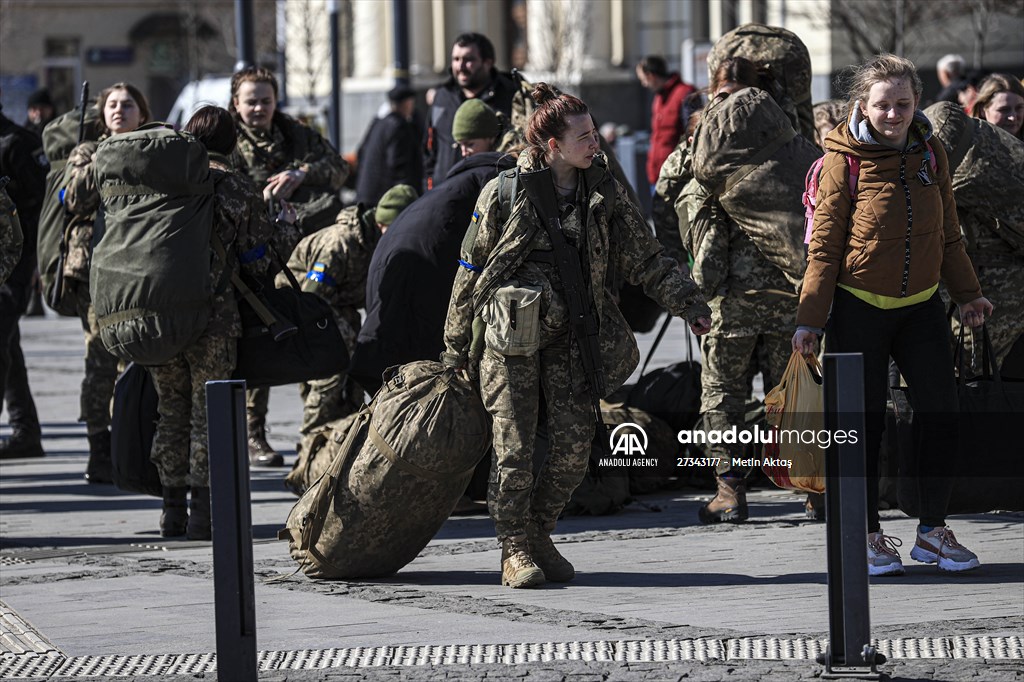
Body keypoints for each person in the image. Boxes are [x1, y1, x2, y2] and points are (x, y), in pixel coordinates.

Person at [441, 83, 711, 589]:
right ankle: (514, 548)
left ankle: (540, 532)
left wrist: (689, 304)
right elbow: (469, 270)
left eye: (594, 134)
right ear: (552, 146)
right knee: (515, 449)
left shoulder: (603, 191)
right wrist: (456, 348)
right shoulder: (504, 193)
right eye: (583, 137)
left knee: (573, 451)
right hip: (511, 343)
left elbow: (646, 258)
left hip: (574, 338)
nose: (595, 144)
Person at [793, 54, 992, 575]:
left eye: (903, 104)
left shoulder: (931, 151)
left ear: (916, 103)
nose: (893, 114)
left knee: (941, 416)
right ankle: (865, 536)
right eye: (883, 104)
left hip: (922, 307)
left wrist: (968, 295)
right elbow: (824, 247)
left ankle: (932, 531)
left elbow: (948, 232)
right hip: (859, 309)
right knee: (864, 428)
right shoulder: (843, 160)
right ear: (863, 104)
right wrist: (810, 320)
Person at [676, 57, 802, 525]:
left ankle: (729, 491)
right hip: (789, 303)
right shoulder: (785, 152)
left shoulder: (713, 172)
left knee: (723, 396)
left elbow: (708, 261)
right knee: (787, 394)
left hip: (731, 309)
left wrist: (695, 298)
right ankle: (811, 487)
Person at [149, 106, 281, 539]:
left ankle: (171, 513)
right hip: (214, 320)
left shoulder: (163, 183)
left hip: (161, 318)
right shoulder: (237, 186)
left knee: (171, 412)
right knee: (208, 416)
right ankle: (204, 517)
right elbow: (257, 258)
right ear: (233, 142)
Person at [351, 99, 515, 396]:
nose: (464, 150)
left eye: (471, 142)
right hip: (417, 272)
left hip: (398, 263)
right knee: (423, 376)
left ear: (491, 137)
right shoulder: (493, 178)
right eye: (460, 144)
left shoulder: (461, 182)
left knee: (401, 369)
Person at [228, 66, 346, 467]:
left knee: (301, 331)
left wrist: (302, 173)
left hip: (296, 251)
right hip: (248, 256)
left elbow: (338, 169)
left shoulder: (296, 135)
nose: (259, 108)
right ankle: (252, 431)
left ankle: (312, 433)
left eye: (266, 100)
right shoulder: (227, 141)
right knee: (255, 338)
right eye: (251, 101)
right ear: (236, 103)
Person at [282, 184, 417, 463]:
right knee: (331, 372)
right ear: (381, 223)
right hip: (301, 312)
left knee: (357, 363)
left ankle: (346, 437)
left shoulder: (375, 242)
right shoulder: (339, 244)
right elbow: (310, 299)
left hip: (337, 311)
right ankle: (308, 449)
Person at [63, 83, 152, 481]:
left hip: (141, 270)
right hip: (97, 273)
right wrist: (106, 156)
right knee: (99, 361)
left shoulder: (155, 150)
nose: (119, 111)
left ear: (142, 113)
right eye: (112, 105)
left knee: (139, 362)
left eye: (127, 104)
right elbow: (74, 198)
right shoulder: (88, 152)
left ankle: (134, 447)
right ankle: (99, 448)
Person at [0, 98, 48, 460]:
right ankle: (25, 430)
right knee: (7, 345)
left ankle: (25, 429)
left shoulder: (17, 144)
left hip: (12, 265)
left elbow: (42, 208)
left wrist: (35, 265)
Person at [423, 32, 516, 190]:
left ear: (488, 62)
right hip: (445, 196)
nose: (460, 66)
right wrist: (429, 191)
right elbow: (429, 152)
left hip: (488, 199)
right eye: (456, 59)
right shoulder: (442, 98)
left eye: (469, 60)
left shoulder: (511, 97)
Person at [355, 85, 424, 207]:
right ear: (407, 103)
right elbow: (398, 165)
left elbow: (360, 153)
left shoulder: (378, 123)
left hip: (367, 194)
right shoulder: (399, 126)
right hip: (383, 199)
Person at [636, 55, 696, 190]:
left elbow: (693, 133)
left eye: (643, 79)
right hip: (658, 174)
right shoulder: (659, 98)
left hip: (677, 175)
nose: (643, 84)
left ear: (651, 75)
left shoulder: (685, 93)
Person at [970, 73, 1024, 140]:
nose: (1013, 118)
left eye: (1019, 108)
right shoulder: (967, 145)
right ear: (982, 110)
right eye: (1004, 110)